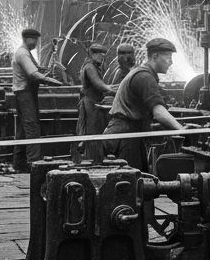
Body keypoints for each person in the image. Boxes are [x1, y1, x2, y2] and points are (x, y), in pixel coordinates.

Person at [102, 37, 184, 170]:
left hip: (128, 133)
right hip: (125, 136)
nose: (171, 62)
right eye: (168, 57)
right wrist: (181, 130)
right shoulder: (145, 77)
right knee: (132, 183)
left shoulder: (142, 73)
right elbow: (158, 112)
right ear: (155, 56)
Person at [12, 27, 63, 172]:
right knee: (32, 127)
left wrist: (46, 68)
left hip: (26, 93)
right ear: (27, 38)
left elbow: (36, 69)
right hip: (25, 94)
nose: (36, 43)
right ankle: (34, 163)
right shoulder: (22, 53)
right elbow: (33, 74)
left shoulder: (26, 53)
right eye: (34, 39)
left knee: (23, 129)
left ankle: (19, 163)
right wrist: (50, 81)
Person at [78, 41, 115, 141]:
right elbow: (99, 85)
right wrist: (114, 90)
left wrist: (115, 87)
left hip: (96, 103)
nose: (101, 58)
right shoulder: (90, 67)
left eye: (103, 55)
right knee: (93, 131)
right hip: (91, 104)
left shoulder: (94, 66)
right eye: (99, 55)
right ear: (92, 54)